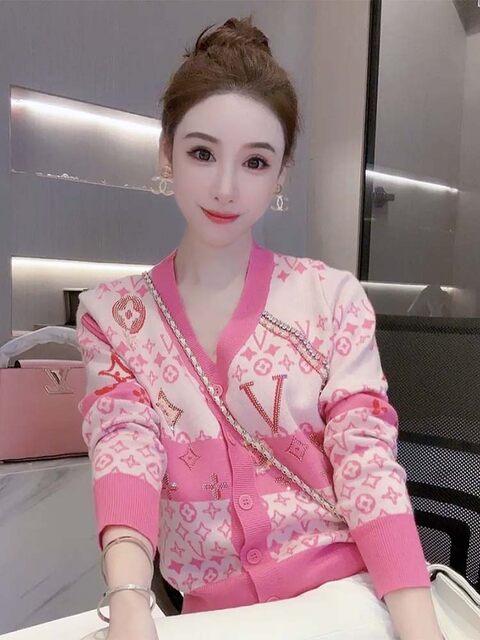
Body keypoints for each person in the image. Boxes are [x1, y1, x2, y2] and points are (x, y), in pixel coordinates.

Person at [76, 15, 443, 640]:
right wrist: (130, 605)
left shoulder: (329, 299)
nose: (225, 187)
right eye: (202, 153)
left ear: (281, 174)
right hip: (216, 618)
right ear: (166, 152)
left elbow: (365, 461)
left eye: (254, 162)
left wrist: (420, 629)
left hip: (344, 601)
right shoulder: (113, 317)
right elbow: (126, 451)